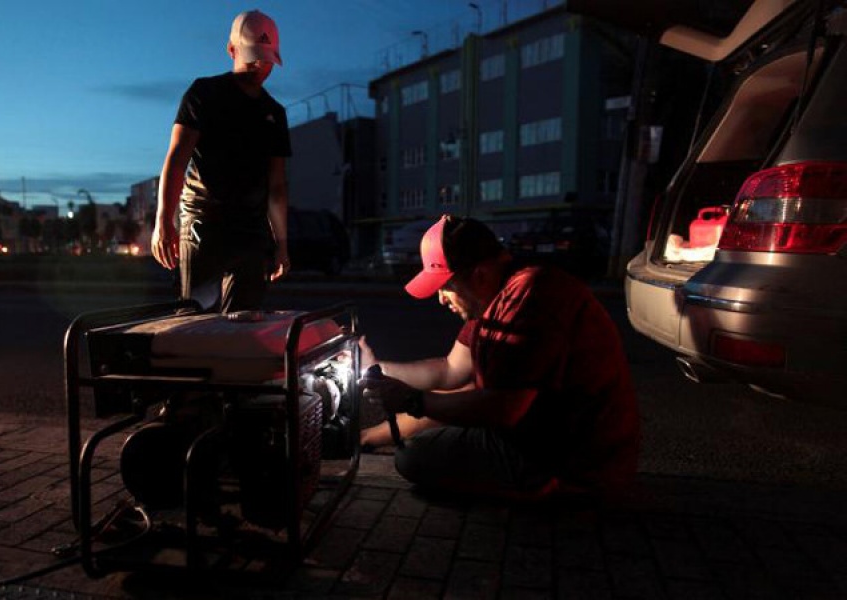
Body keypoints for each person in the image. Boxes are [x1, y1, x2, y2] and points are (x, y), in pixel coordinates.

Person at [359, 214, 640, 500]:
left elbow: (502, 408)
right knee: (448, 412)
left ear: (479, 274)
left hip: (573, 462)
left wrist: (413, 400)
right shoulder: (493, 297)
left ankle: (551, 493)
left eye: (446, 287)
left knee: (414, 456)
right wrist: (375, 371)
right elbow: (449, 371)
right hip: (557, 441)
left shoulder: (530, 298)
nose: (441, 298)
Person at [151, 9, 291, 312]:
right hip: (204, 221)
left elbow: (277, 185)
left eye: (266, 59)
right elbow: (176, 159)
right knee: (196, 321)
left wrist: (281, 243)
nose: (260, 66)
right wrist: (164, 219)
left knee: (245, 324)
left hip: (252, 231)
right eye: (253, 56)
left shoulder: (274, 113)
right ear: (231, 50)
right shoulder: (204, 93)